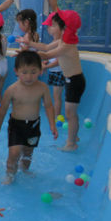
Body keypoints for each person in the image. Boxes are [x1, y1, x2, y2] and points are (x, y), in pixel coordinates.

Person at [17, 10, 84, 151]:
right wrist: (29, 43)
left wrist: (27, 52)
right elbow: (46, 47)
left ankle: (71, 143)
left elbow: (47, 54)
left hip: (75, 81)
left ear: (64, 28)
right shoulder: (62, 41)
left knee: (70, 114)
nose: (49, 28)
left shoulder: (66, 46)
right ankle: (74, 136)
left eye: (53, 25)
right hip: (72, 80)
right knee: (71, 114)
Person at [0, 51, 58, 184]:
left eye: (33, 72)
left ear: (40, 71)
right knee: (14, 152)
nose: (29, 76)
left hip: (33, 125)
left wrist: (52, 124)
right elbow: (3, 109)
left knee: (28, 152)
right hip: (16, 125)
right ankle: (10, 174)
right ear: (16, 71)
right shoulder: (12, 89)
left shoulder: (42, 88)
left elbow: (49, 106)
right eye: (25, 72)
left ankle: (25, 169)